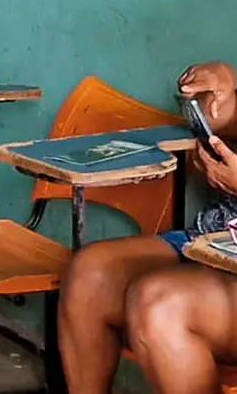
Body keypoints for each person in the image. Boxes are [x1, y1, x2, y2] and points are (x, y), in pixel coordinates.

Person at [60, 61, 237, 394]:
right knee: (89, 274)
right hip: (213, 241)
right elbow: (222, 119)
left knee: (159, 306)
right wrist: (220, 90)